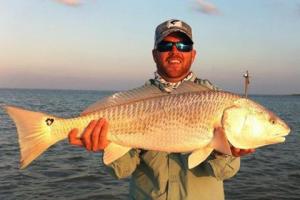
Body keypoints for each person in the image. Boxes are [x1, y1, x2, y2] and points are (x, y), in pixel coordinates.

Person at [68, 19, 254, 200]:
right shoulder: (137, 100)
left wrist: (224, 151)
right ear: (155, 54)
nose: (175, 51)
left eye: (183, 46)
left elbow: (224, 172)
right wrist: (105, 143)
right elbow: (122, 169)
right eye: (166, 46)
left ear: (193, 54)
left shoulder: (217, 99)